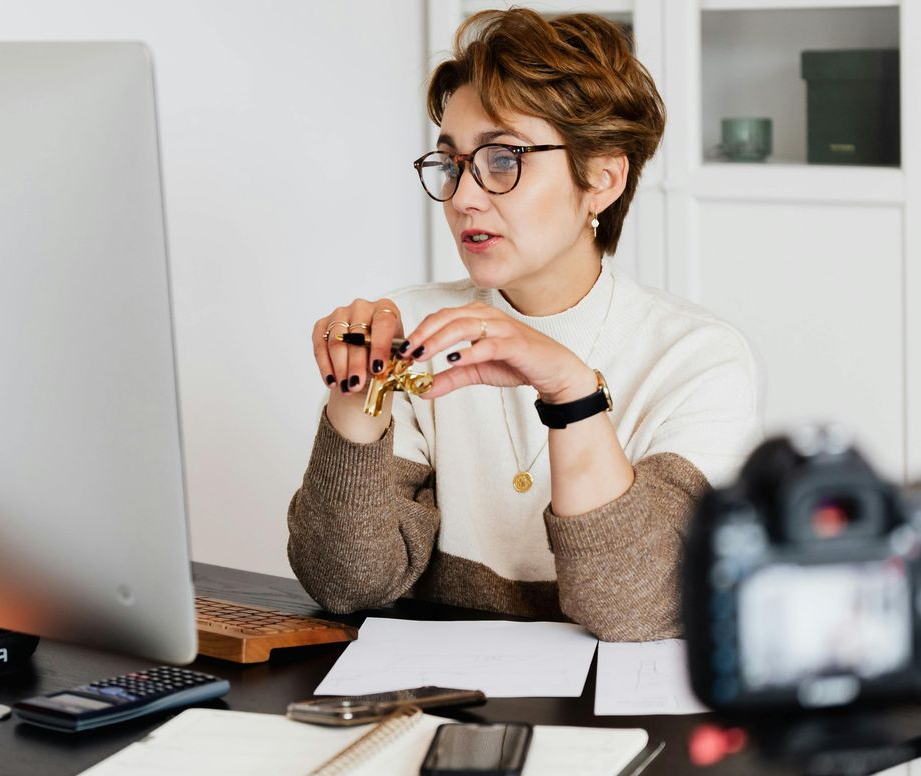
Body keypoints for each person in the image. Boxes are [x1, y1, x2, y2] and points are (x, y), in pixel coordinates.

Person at [287, 8, 762, 641]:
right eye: (452, 163)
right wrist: (354, 401)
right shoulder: (413, 328)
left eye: (504, 158)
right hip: (444, 703)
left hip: (619, 720)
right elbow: (347, 584)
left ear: (602, 178)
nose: (463, 197)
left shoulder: (697, 358)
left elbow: (638, 607)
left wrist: (572, 393)